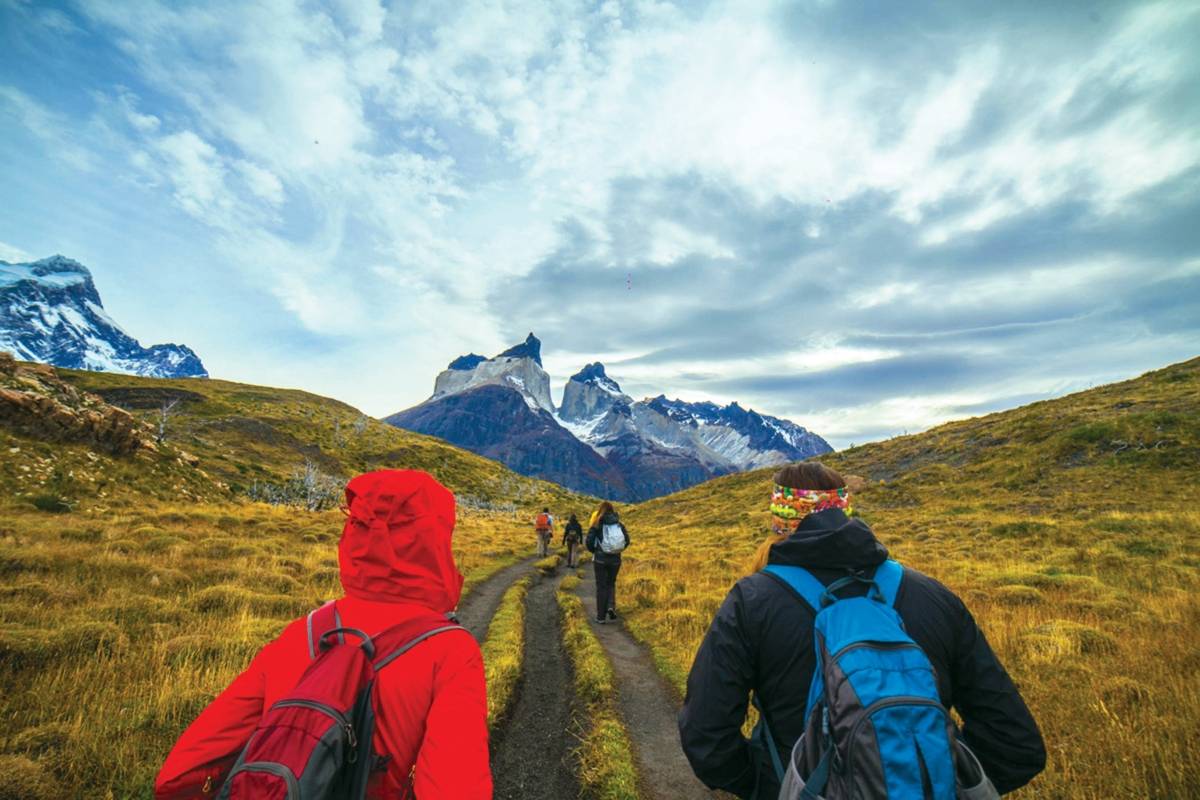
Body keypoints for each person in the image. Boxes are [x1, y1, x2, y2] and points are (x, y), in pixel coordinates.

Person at [678, 462, 1045, 798]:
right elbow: (1016, 744)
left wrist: (768, 784)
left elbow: (706, 736)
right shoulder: (931, 595)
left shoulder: (752, 601)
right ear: (845, 511)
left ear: (780, 519)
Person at [154, 470, 492, 799]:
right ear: (432, 542)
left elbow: (179, 775)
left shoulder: (302, 632)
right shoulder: (451, 651)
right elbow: (455, 788)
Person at [585, 501, 629, 623]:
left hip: (600, 560)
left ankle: (601, 617)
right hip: (615, 560)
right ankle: (610, 607)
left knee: (601, 586)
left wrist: (594, 551)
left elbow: (589, 541)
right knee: (611, 583)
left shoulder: (597, 523)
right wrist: (617, 550)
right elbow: (627, 540)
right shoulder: (619, 523)